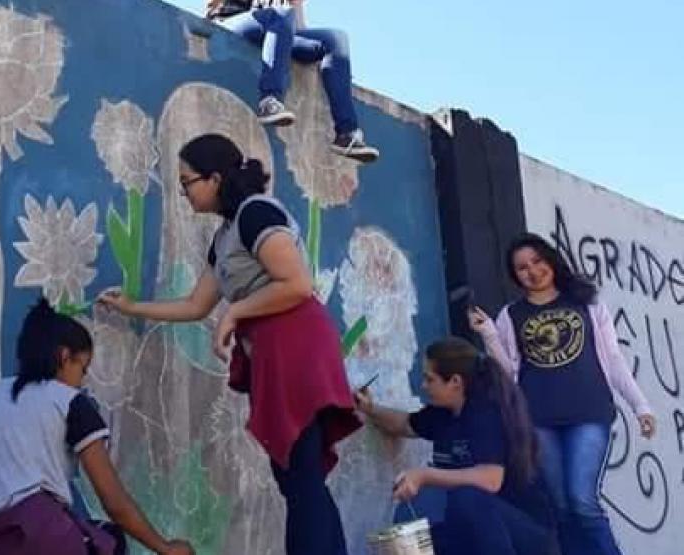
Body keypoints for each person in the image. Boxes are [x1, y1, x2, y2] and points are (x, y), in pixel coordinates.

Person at [98, 133, 361, 555]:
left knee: (300, 475)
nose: (183, 192)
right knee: (299, 477)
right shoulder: (224, 236)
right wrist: (132, 307)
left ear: (215, 178)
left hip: (296, 345)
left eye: (187, 182)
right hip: (271, 353)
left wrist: (236, 312)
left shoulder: (255, 213)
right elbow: (195, 305)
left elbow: (297, 283)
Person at [0, 298, 194, 555]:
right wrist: (164, 548)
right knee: (109, 538)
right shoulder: (67, 401)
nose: (82, 382)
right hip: (39, 539)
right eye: (83, 369)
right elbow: (114, 502)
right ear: (64, 356)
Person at [468, 232, 657, 555]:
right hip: (539, 420)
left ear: (551, 260)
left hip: (589, 414)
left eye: (537, 261)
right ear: (515, 275)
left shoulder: (587, 304)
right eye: (522, 267)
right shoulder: (511, 315)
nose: (533, 271)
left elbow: (613, 359)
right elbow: (509, 373)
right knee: (562, 508)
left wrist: (641, 406)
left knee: (582, 500)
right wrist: (488, 334)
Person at [354, 337, 560, 555]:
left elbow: (490, 480)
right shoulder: (442, 413)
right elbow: (403, 424)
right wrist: (369, 409)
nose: (423, 385)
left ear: (455, 381)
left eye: (429, 379)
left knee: (467, 498)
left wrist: (424, 476)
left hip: (526, 535)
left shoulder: (486, 413)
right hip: (477, 528)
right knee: (416, 544)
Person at [205, 0, 380, 163]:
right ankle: (269, 101)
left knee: (336, 39)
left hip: (274, 29)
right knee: (281, 14)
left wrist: (336, 68)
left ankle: (346, 134)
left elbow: (297, 26)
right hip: (229, 23)